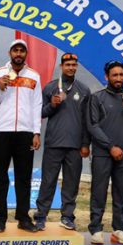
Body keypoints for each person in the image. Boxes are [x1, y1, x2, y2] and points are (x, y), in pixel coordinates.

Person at [86, 59, 123, 245]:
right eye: (115, 75)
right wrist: (110, 147)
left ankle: (119, 230)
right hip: (104, 154)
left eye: (121, 75)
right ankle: (96, 229)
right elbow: (92, 126)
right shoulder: (97, 98)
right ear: (107, 77)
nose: (119, 78)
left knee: (121, 195)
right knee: (99, 193)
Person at [0, 39, 42, 233]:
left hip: (25, 133)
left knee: (24, 177)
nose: (18, 54)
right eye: (15, 50)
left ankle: (23, 217)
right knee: (0, 177)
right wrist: (0, 88)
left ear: (26, 54)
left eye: (22, 51)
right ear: (10, 53)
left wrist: (36, 132)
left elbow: (37, 105)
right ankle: (0, 218)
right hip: (2, 131)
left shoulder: (34, 76)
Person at [34, 53, 90, 231]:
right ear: (61, 67)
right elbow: (40, 113)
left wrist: (85, 144)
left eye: (74, 65)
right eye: (68, 65)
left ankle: (67, 217)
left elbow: (88, 120)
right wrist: (53, 105)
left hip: (75, 145)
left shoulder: (84, 90)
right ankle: (41, 216)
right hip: (54, 143)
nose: (71, 68)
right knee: (48, 181)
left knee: (71, 183)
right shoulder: (50, 87)